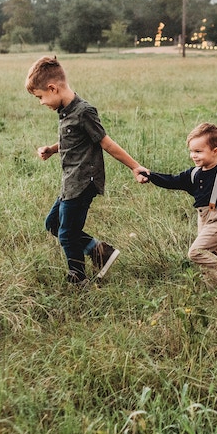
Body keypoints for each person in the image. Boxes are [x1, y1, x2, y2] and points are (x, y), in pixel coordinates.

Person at [25, 56, 145, 287]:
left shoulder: (84, 111)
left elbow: (106, 143)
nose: (41, 103)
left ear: (53, 88)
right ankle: (100, 251)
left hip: (83, 182)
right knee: (53, 224)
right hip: (70, 182)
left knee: (67, 234)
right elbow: (74, 140)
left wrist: (135, 167)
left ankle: (78, 278)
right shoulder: (66, 112)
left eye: (40, 97)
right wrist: (52, 149)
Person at [136, 123, 217, 293]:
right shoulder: (194, 173)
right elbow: (172, 181)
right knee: (208, 259)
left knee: (196, 252)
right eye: (191, 151)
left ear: (215, 151)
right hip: (203, 220)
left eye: (198, 151)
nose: (193, 156)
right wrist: (150, 175)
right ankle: (216, 294)